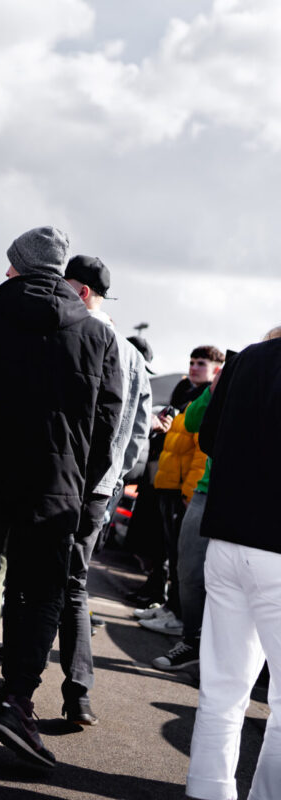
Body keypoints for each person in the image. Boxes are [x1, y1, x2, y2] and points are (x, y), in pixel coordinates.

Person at [0, 226, 122, 768]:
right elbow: (107, 427)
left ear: (20, 266)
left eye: (10, 263)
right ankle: (17, 702)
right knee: (40, 595)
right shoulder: (98, 336)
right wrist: (82, 486)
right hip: (57, 489)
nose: (6, 270)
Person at [55, 255, 152, 725]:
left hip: (63, 478)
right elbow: (139, 433)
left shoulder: (75, 335)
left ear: (82, 291)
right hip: (101, 487)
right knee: (74, 585)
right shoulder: (133, 354)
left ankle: (17, 689)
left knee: (34, 581)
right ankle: (78, 694)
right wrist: (113, 479)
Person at [185, 330, 281, 800]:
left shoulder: (246, 360)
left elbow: (208, 438)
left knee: (222, 689)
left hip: (228, 537)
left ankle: (207, 791)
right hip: (274, 550)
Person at [139, 346, 223, 637]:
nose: (194, 367)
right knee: (172, 554)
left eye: (201, 363)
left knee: (182, 559)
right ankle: (169, 607)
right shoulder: (186, 394)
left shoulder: (209, 398)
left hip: (183, 490)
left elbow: (202, 454)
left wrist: (190, 492)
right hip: (169, 484)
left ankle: (178, 615)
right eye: (191, 362)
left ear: (217, 369)